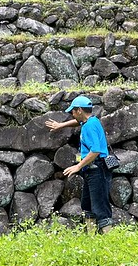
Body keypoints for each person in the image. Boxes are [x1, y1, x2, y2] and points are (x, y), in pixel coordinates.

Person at [46, 95, 113, 233]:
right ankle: (91, 237)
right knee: (87, 205)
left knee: (100, 208)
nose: (72, 113)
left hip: (97, 169)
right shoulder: (91, 121)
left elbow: (95, 150)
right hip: (92, 169)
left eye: (73, 111)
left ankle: (110, 240)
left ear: (80, 111)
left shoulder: (89, 127)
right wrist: (61, 125)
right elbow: (78, 122)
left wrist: (78, 166)